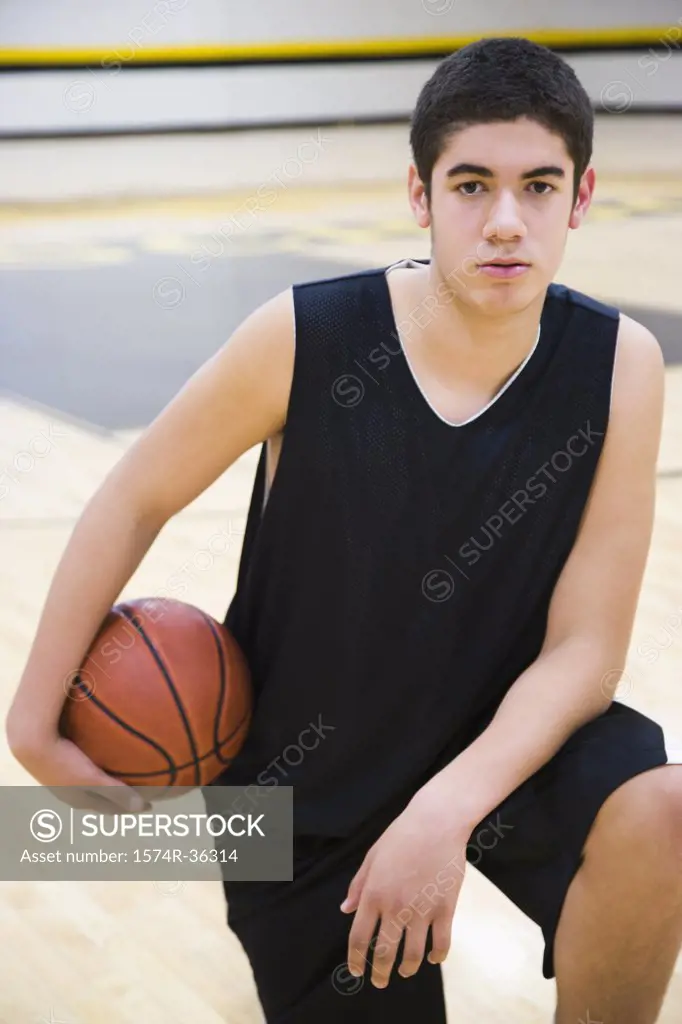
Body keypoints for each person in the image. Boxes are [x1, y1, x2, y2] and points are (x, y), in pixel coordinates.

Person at [6, 35, 682, 1024]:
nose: (505, 221)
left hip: (496, 750)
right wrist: (31, 720)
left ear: (581, 199)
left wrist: (442, 811)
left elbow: (587, 649)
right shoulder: (305, 335)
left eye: (538, 186)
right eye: (470, 186)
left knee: (660, 810)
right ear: (419, 196)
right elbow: (134, 496)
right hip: (300, 793)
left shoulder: (619, 364)